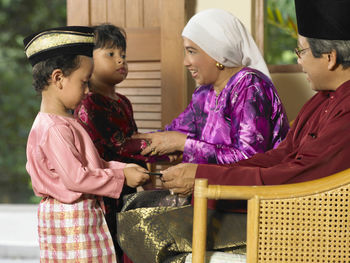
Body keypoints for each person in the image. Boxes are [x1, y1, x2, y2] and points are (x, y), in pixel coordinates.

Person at [117, 1, 350, 262]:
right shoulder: (319, 101)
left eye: (302, 51)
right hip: (260, 196)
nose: (299, 60)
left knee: (147, 227)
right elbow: (278, 156)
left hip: (294, 217)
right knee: (135, 207)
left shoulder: (253, 87)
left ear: (329, 58)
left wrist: (202, 175)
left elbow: (298, 177)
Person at [24, 26, 149, 262]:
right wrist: (122, 179)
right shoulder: (55, 129)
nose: (86, 89)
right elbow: (77, 178)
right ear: (58, 78)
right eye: (83, 82)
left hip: (80, 215)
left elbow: (94, 164)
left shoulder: (65, 122)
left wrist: (124, 169)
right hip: (70, 218)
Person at [132, 9, 289, 165]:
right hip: (211, 187)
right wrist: (124, 145)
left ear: (217, 53)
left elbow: (250, 159)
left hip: (250, 188)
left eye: (191, 51)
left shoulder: (250, 86)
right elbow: (172, 136)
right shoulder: (204, 94)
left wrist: (183, 144)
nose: (186, 62)